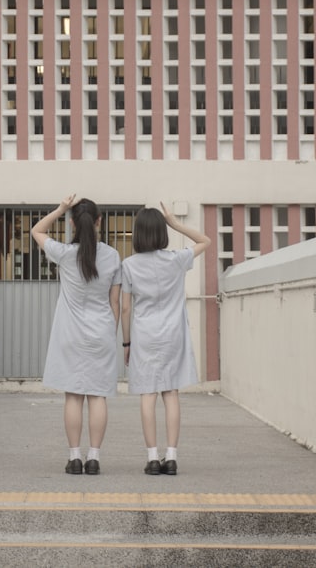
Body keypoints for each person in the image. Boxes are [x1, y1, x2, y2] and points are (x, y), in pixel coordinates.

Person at [31, 195, 122, 476]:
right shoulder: (112, 255)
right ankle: (93, 458)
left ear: (72, 223)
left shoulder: (64, 254)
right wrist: (111, 331)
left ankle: (73, 458)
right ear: (99, 222)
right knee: (97, 396)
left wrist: (59, 208)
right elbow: (115, 303)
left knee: (73, 396)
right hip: (102, 333)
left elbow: (36, 230)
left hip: (70, 333)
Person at [121, 203, 210, 476]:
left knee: (148, 394)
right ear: (162, 231)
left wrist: (126, 344)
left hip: (145, 335)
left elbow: (125, 308)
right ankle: (171, 456)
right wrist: (176, 223)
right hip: (173, 334)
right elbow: (205, 241)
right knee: (171, 393)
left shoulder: (128, 265)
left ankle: (151, 457)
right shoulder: (176, 259)